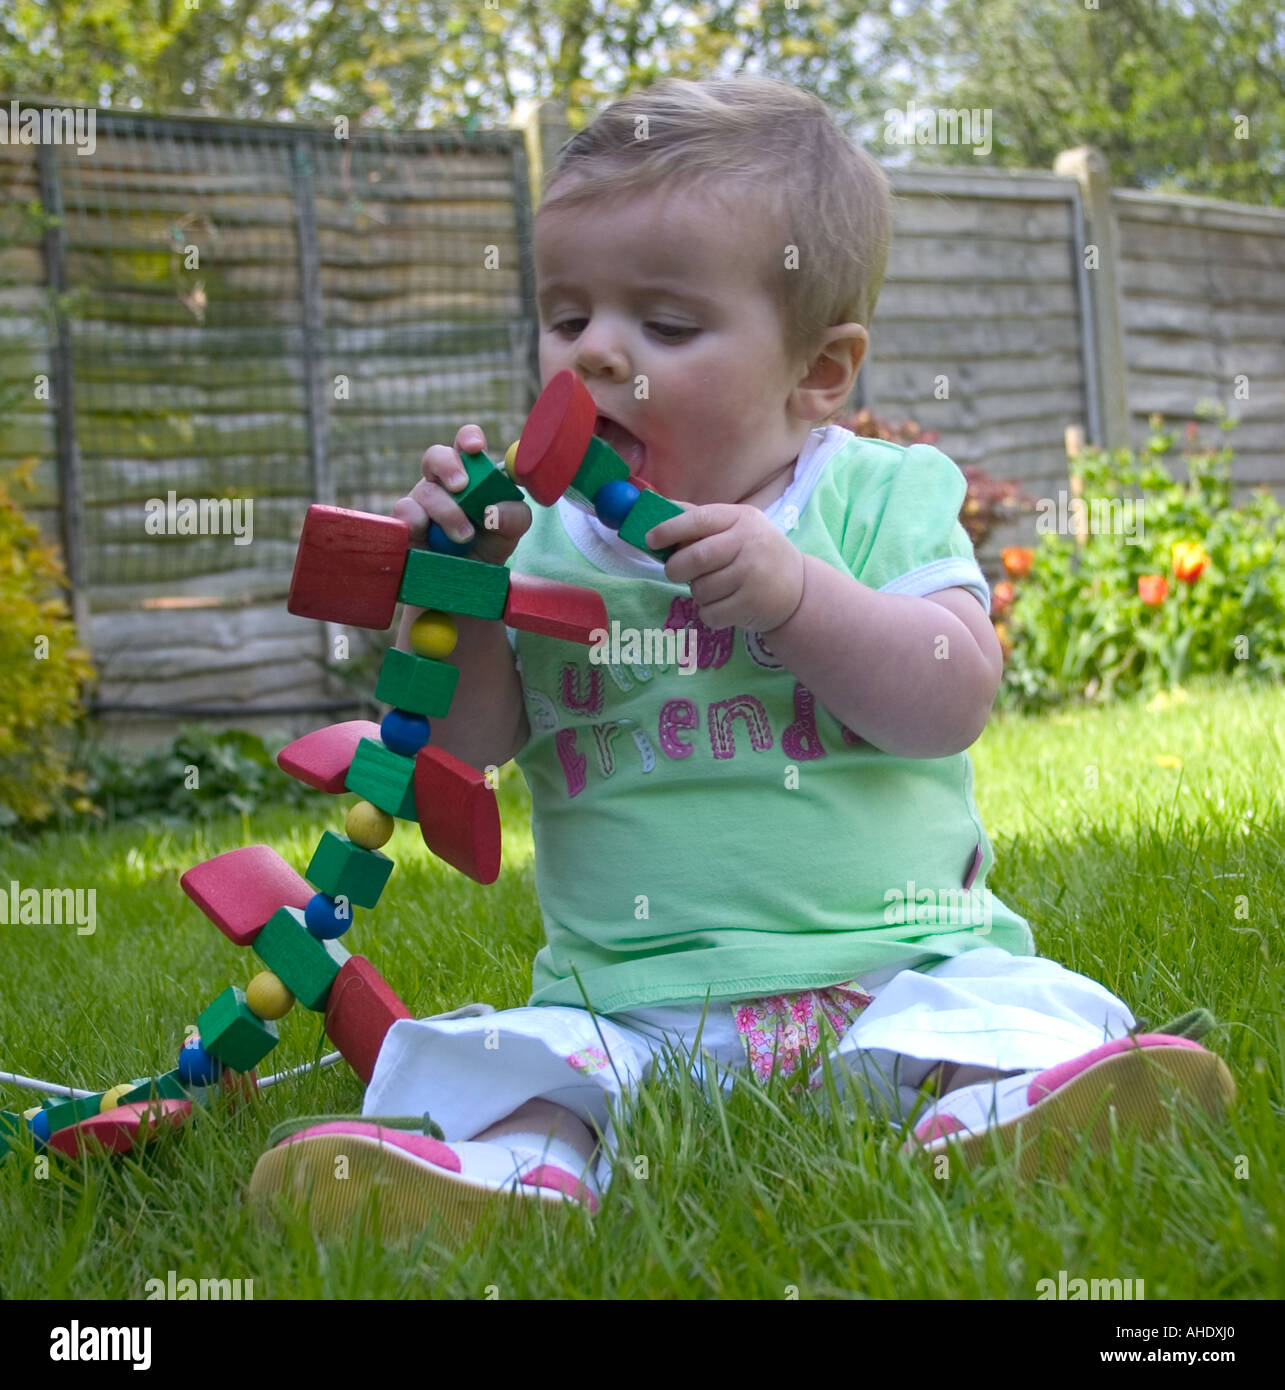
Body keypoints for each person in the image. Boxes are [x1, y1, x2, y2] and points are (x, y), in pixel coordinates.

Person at [249, 76, 1233, 1241]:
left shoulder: (876, 498)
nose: (599, 356)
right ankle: (519, 1177)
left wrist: (797, 596)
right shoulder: (542, 538)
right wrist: (457, 594)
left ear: (818, 371)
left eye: (663, 326)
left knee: (993, 1018)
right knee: (534, 1068)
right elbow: (464, 749)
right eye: (569, 318)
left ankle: (989, 1110)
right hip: (634, 1003)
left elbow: (949, 697)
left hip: (897, 969)